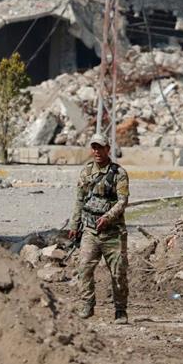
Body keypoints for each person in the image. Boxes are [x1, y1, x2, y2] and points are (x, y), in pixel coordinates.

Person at [68, 133, 130, 324]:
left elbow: (122, 201)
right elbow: (79, 200)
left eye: (100, 147)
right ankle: (87, 304)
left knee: (118, 273)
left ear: (107, 149)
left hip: (113, 233)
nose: (96, 151)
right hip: (91, 231)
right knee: (84, 267)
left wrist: (108, 217)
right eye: (93, 147)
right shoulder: (86, 172)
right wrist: (74, 225)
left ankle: (120, 310)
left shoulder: (119, 173)